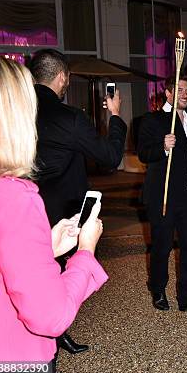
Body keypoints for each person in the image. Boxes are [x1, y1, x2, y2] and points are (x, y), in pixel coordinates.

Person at [0, 51, 106, 373]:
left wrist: (45, 249)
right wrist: (85, 252)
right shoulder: (14, 197)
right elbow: (50, 316)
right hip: (12, 363)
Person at [29, 48, 126, 354]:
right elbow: (110, 157)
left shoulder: (12, 112)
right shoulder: (69, 118)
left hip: (20, 208)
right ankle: (54, 333)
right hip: (61, 213)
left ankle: (48, 334)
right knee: (57, 273)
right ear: (62, 77)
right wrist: (115, 117)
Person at [138, 75, 187, 316]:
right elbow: (143, 153)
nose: (185, 94)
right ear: (168, 93)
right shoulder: (152, 120)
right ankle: (158, 290)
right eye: (180, 90)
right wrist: (162, 147)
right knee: (161, 247)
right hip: (163, 196)